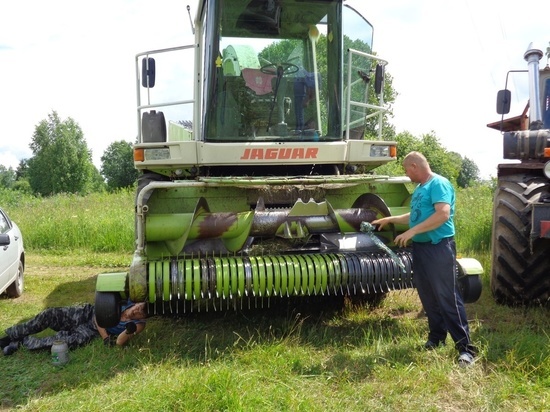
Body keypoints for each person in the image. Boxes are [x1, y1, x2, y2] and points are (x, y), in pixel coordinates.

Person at [372, 151, 477, 367]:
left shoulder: (438, 183)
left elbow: (442, 214)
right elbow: (416, 216)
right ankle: (436, 338)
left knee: (447, 296)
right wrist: (391, 219)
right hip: (421, 249)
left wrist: (411, 232)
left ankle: (466, 349)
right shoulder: (421, 189)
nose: (405, 174)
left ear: (414, 166)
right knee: (428, 296)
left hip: (439, 247)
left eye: (405, 170)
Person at [0, 300, 148, 356]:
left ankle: (20, 342)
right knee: (49, 314)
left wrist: (129, 330)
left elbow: (119, 342)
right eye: (138, 307)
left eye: (141, 313)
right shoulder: (127, 299)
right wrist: (105, 337)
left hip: (92, 331)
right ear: (137, 303)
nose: (137, 311)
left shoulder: (139, 325)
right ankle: (11, 335)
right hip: (87, 313)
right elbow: (98, 314)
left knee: (60, 343)